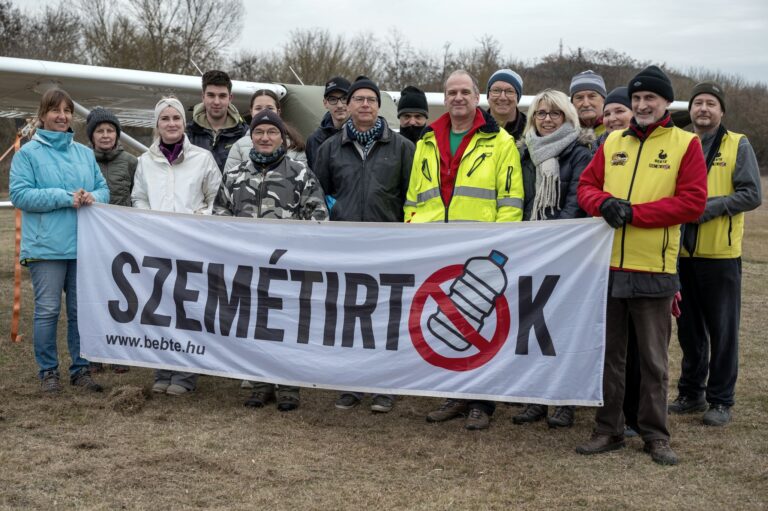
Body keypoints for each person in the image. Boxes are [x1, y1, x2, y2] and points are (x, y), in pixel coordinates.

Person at [576, 65, 708, 465]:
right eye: (636, 99)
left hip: (654, 267)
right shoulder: (612, 140)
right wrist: (604, 205)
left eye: (650, 98)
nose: (642, 105)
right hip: (609, 267)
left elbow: (692, 202)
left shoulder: (686, 144)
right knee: (610, 356)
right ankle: (609, 429)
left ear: (666, 102)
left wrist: (634, 213)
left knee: (652, 360)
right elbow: (586, 187)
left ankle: (655, 434)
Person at [404, 70, 523, 430]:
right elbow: (413, 197)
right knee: (446, 323)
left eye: (465, 92)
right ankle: (454, 394)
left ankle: (482, 403)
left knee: (477, 320)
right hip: (435, 248)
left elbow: (511, 200)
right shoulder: (426, 141)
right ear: (445, 98)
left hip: (480, 250)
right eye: (451, 92)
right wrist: (413, 229)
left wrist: (499, 244)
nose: (458, 98)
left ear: (476, 98)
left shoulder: (500, 141)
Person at [214, 109, 328, 411]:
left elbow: (318, 217)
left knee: (286, 325)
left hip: (287, 269)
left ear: (282, 137)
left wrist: (296, 249)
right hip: (247, 268)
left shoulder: (299, 173)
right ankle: (260, 382)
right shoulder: (236, 175)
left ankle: (288, 385)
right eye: (259, 132)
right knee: (253, 323)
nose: (265, 137)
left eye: (272, 132)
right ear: (252, 136)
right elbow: (220, 215)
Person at [313, 76, 415, 413]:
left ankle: (385, 386)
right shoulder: (330, 148)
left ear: (379, 105)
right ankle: (351, 384)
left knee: (385, 318)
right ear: (350, 105)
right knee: (350, 316)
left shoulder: (402, 148)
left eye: (371, 99)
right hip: (345, 246)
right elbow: (320, 194)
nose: (365, 105)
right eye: (359, 99)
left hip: (388, 246)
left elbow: (409, 195)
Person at [670, 82, 762, 427]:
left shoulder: (738, 144)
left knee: (723, 331)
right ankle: (691, 392)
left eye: (710, 104)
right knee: (688, 330)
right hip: (681, 253)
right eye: (698, 104)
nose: (703, 109)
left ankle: (721, 399)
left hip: (720, 255)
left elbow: (752, 194)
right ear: (690, 110)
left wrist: (710, 208)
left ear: (721, 111)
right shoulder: (679, 142)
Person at [9, 88, 110, 393]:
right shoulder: (27, 154)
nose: (62, 116)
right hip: (46, 247)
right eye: (55, 110)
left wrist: (94, 196)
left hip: (82, 245)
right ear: (42, 115)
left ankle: (80, 369)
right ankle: (48, 371)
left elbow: (103, 190)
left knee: (81, 311)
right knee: (48, 310)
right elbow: (20, 195)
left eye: (67, 111)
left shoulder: (83, 153)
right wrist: (66, 197)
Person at [510, 89, 593, 429]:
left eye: (554, 113)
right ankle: (535, 396)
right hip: (531, 250)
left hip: (564, 251)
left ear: (567, 117)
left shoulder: (580, 152)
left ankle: (564, 400)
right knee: (532, 328)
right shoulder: (524, 153)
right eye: (540, 113)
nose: (547, 119)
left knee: (563, 328)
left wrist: (552, 239)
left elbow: (576, 201)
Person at [132, 97, 221, 396]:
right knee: (159, 308)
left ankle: (184, 374)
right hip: (157, 245)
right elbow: (138, 197)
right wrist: (148, 219)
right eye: (165, 119)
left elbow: (216, 199)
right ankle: (162, 369)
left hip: (191, 245)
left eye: (176, 119)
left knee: (186, 309)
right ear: (157, 125)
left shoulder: (203, 158)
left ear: (184, 123)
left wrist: (199, 219)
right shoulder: (146, 161)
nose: (171, 124)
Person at [85, 106, 138, 374]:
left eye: (110, 130)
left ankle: (120, 352)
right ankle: (94, 352)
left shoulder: (130, 162)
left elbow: (135, 196)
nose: (105, 135)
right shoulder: (82, 160)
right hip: (91, 241)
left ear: (117, 135)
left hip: (120, 241)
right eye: (100, 131)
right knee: (94, 296)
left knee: (121, 295)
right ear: (91, 136)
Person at [224, 89, 307, 172]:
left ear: (278, 112)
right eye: (258, 108)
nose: (264, 112)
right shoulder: (239, 147)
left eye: (270, 108)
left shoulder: (294, 145)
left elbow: (303, 178)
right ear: (251, 112)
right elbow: (229, 180)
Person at [186, 70, 248, 172]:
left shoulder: (245, 134)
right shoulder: (187, 133)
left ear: (230, 98)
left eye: (222, 96)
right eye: (211, 95)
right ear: (203, 97)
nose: (216, 102)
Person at [305, 76, 350, 170]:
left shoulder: (363, 134)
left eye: (344, 98)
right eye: (333, 99)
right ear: (325, 103)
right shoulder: (315, 140)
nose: (340, 105)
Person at [486, 68, 527, 140]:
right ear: (488, 95)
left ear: (518, 97)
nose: (502, 97)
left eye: (509, 91)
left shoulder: (531, 129)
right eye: (496, 90)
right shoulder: (472, 126)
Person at [570, 70, 607, 140]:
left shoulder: (615, 128)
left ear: (604, 100)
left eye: (592, 96)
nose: (586, 104)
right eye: (579, 98)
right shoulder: (564, 133)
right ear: (572, 103)